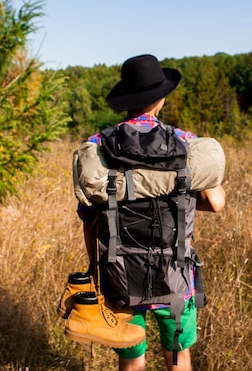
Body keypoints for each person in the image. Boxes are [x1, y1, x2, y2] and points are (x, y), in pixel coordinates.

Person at [76, 54, 226, 371]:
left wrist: (97, 273)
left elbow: (89, 219)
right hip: (175, 278)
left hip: (121, 279)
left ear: (126, 101)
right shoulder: (185, 143)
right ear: (160, 99)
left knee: (132, 360)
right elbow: (215, 202)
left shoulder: (98, 146)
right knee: (177, 356)